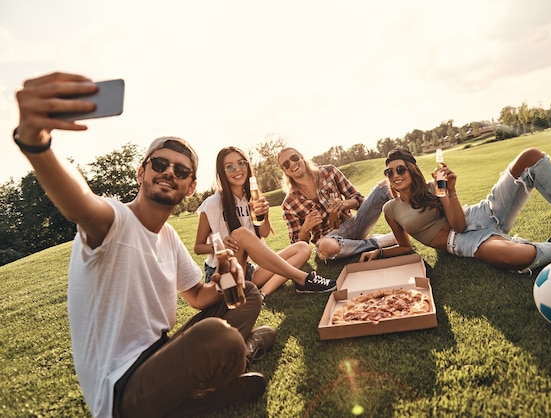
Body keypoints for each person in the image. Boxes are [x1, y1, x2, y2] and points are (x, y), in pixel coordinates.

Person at [13, 72, 277, 418]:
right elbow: (77, 200)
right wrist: (37, 143)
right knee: (220, 339)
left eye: (181, 171)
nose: (169, 172)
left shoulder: (166, 236)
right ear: (142, 172)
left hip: (158, 356)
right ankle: (226, 369)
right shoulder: (112, 219)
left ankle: (218, 376)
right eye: (159, 164)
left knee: (251, 297)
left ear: (190, 185)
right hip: (121, 392)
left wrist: (227, 278)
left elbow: (197, 296)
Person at [360, 147, 551, 272]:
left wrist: (448, 190)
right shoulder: (390, 209)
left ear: (412, 169)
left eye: (400, 168)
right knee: (516, 258)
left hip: (478, 215)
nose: (394, 174)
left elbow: (459, 220)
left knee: (530, 158)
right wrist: (379, 252)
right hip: (461, 241)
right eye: (389, 171)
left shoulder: (434, 187)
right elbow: (407, 246)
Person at [194, 146, 337, 295]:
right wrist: (220, 246)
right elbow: (198, 247)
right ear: (222, 172)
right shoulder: (212, 203)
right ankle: (304, 279)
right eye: (229, 167)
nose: (237, 169)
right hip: (222, 278)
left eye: (241, 163)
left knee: (302, 248)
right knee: (241, 234)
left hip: (247, 271)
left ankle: (263, 293)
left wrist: (265, 215)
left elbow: (264, 233)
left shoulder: (252, 198)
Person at [278, 147, 396, 261]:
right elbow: (297, 245)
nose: (292, 164)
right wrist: (305, 229)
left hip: (354, 224)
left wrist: (345, 204)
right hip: (328, 240)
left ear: (301, 157)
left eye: (294, 158)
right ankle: (379, 242)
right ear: (284, 171)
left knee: (384, 186)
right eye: (286, 164)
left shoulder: (329, 172)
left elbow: (359, 200)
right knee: (325, 247)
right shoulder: (289, 204)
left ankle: (403, 229)